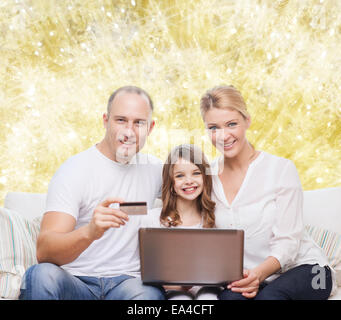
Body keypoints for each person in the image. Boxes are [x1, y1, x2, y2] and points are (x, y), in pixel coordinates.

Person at [19, 86, 165, 300]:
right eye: (121, 120)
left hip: (129, 284)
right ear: (106, 121)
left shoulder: (156, 170)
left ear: (150, 128)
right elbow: (45, 250)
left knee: (149, 296)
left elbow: (203, 191)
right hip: (77, 282)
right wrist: (90, 231)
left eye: (139, 123)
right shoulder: (74, 170)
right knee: (41, 275)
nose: (129, 132)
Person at [199, 85, 337, 300]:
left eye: (231, 124)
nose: (223, 135)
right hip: (251, 277)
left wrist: (258, 275)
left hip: (310, 272)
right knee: (228, 299)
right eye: (213, 127)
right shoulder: (206, 177)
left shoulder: (281, 169)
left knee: (270, 298)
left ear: (247, 120)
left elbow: (289, 242)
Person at [143, 144, 222, 300]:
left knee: (208, 299)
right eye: (180, 176)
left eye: (196, 173)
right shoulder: (154, 220)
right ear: (171, 183)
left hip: (207, 287)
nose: (189, 181)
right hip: (171, 289)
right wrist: (176, 285)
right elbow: (149, 269)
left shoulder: (213, 219)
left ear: (205, 178)